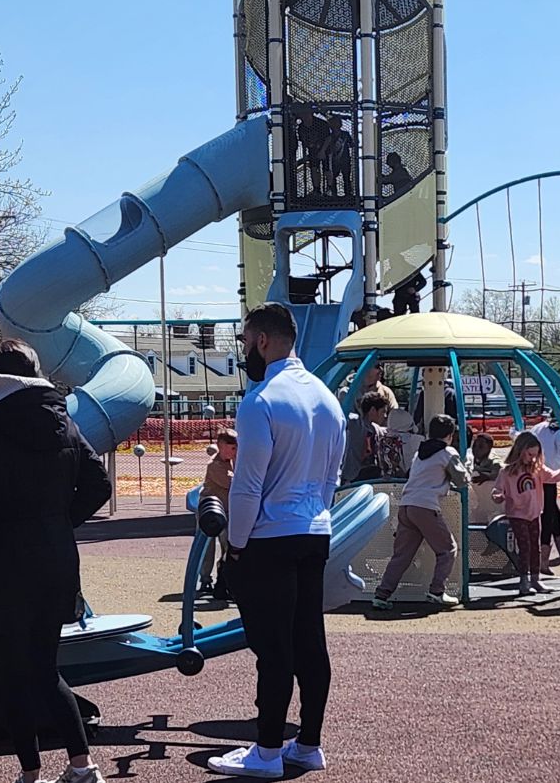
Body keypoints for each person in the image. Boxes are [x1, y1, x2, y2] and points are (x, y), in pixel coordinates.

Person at [0, 339, 112, 783]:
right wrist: (60, 521)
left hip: (2, 559)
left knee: (12, 672)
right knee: (46, 668)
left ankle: (30, 773)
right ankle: (83, 765)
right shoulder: (63, 419)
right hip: (54, 555)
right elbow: (98, 483)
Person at [209, 303, 345, 778]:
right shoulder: (328, 399)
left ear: (262, 340)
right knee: (310, 639)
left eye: (246, 341)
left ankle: (266, 751)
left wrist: (237, 544)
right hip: (314, 528)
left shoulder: (261, 399)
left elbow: (247, 485)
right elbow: (332, 477)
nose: (245, 350)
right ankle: (307, 743)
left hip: (269, 536)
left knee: (273, 649)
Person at [371, 414, 467, 612]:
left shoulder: (419, 452)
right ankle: (437, 590)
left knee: (402, 555)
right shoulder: (447, 452)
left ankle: (382, 593)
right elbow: (461, 480)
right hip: (425, 506)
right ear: (450, 434)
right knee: (447, 549)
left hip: (406, 505)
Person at [492, 432, 560, 595]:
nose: (532, 458)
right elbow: (498, 489)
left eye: (535, 455)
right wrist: (498, 496)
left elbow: (553, 476)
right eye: (529, 454)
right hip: (517, 514)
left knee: (536, 546)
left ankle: (535, 579)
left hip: (534, 513)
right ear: (520, 450)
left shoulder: (537, 469)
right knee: (524, 546)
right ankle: (524, 580)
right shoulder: (507, 472)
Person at [530, 411, 560, 573]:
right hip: (549, 475)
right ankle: (543, 559)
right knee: (548, 515)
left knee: (553, 509)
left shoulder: (538, 427)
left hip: (535, 473)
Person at [199, 428, 237, 601]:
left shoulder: (232, 462)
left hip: (227, 511)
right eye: (232, 448)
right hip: (210, 512)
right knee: (207, 547)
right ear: (221, 446)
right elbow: (233, 483)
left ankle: (225, 579)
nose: (235, 451)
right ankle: (205, 579)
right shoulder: (214, 465)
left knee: (227, 546)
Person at [342, 391, 390, 483]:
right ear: (372, 410)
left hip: (366, 475)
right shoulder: (355, 424)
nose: (385, 416)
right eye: (383, 411)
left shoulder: (374, 429)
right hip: (352, 476)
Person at [294, 105, 330, 194]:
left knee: (327, 169)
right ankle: (316, 189)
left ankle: (330, 188)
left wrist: (322, 151)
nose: (304, 116)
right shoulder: (301, 127)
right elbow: (303, 141)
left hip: (326, 150)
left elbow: (328, 138)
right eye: (302, 115)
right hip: (312, 151)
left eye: (306, 114)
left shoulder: (321, 123)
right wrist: (305, 154)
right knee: (314, 168)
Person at [467, 432, 501, 525]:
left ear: (489, 448)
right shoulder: (470, 459)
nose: (476, 450)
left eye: (481, 447)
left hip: (492, 503)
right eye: (474, 446)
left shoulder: (494, 462)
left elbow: (499, 472)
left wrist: (487, 476)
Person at [319, 115, 354, 197]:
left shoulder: (345, 134)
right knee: (333, 177)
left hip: (344, 159)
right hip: (333, 160)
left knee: (346, 177)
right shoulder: (329, 137)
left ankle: (348, 194)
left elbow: (352, 144)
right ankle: (334, 194)